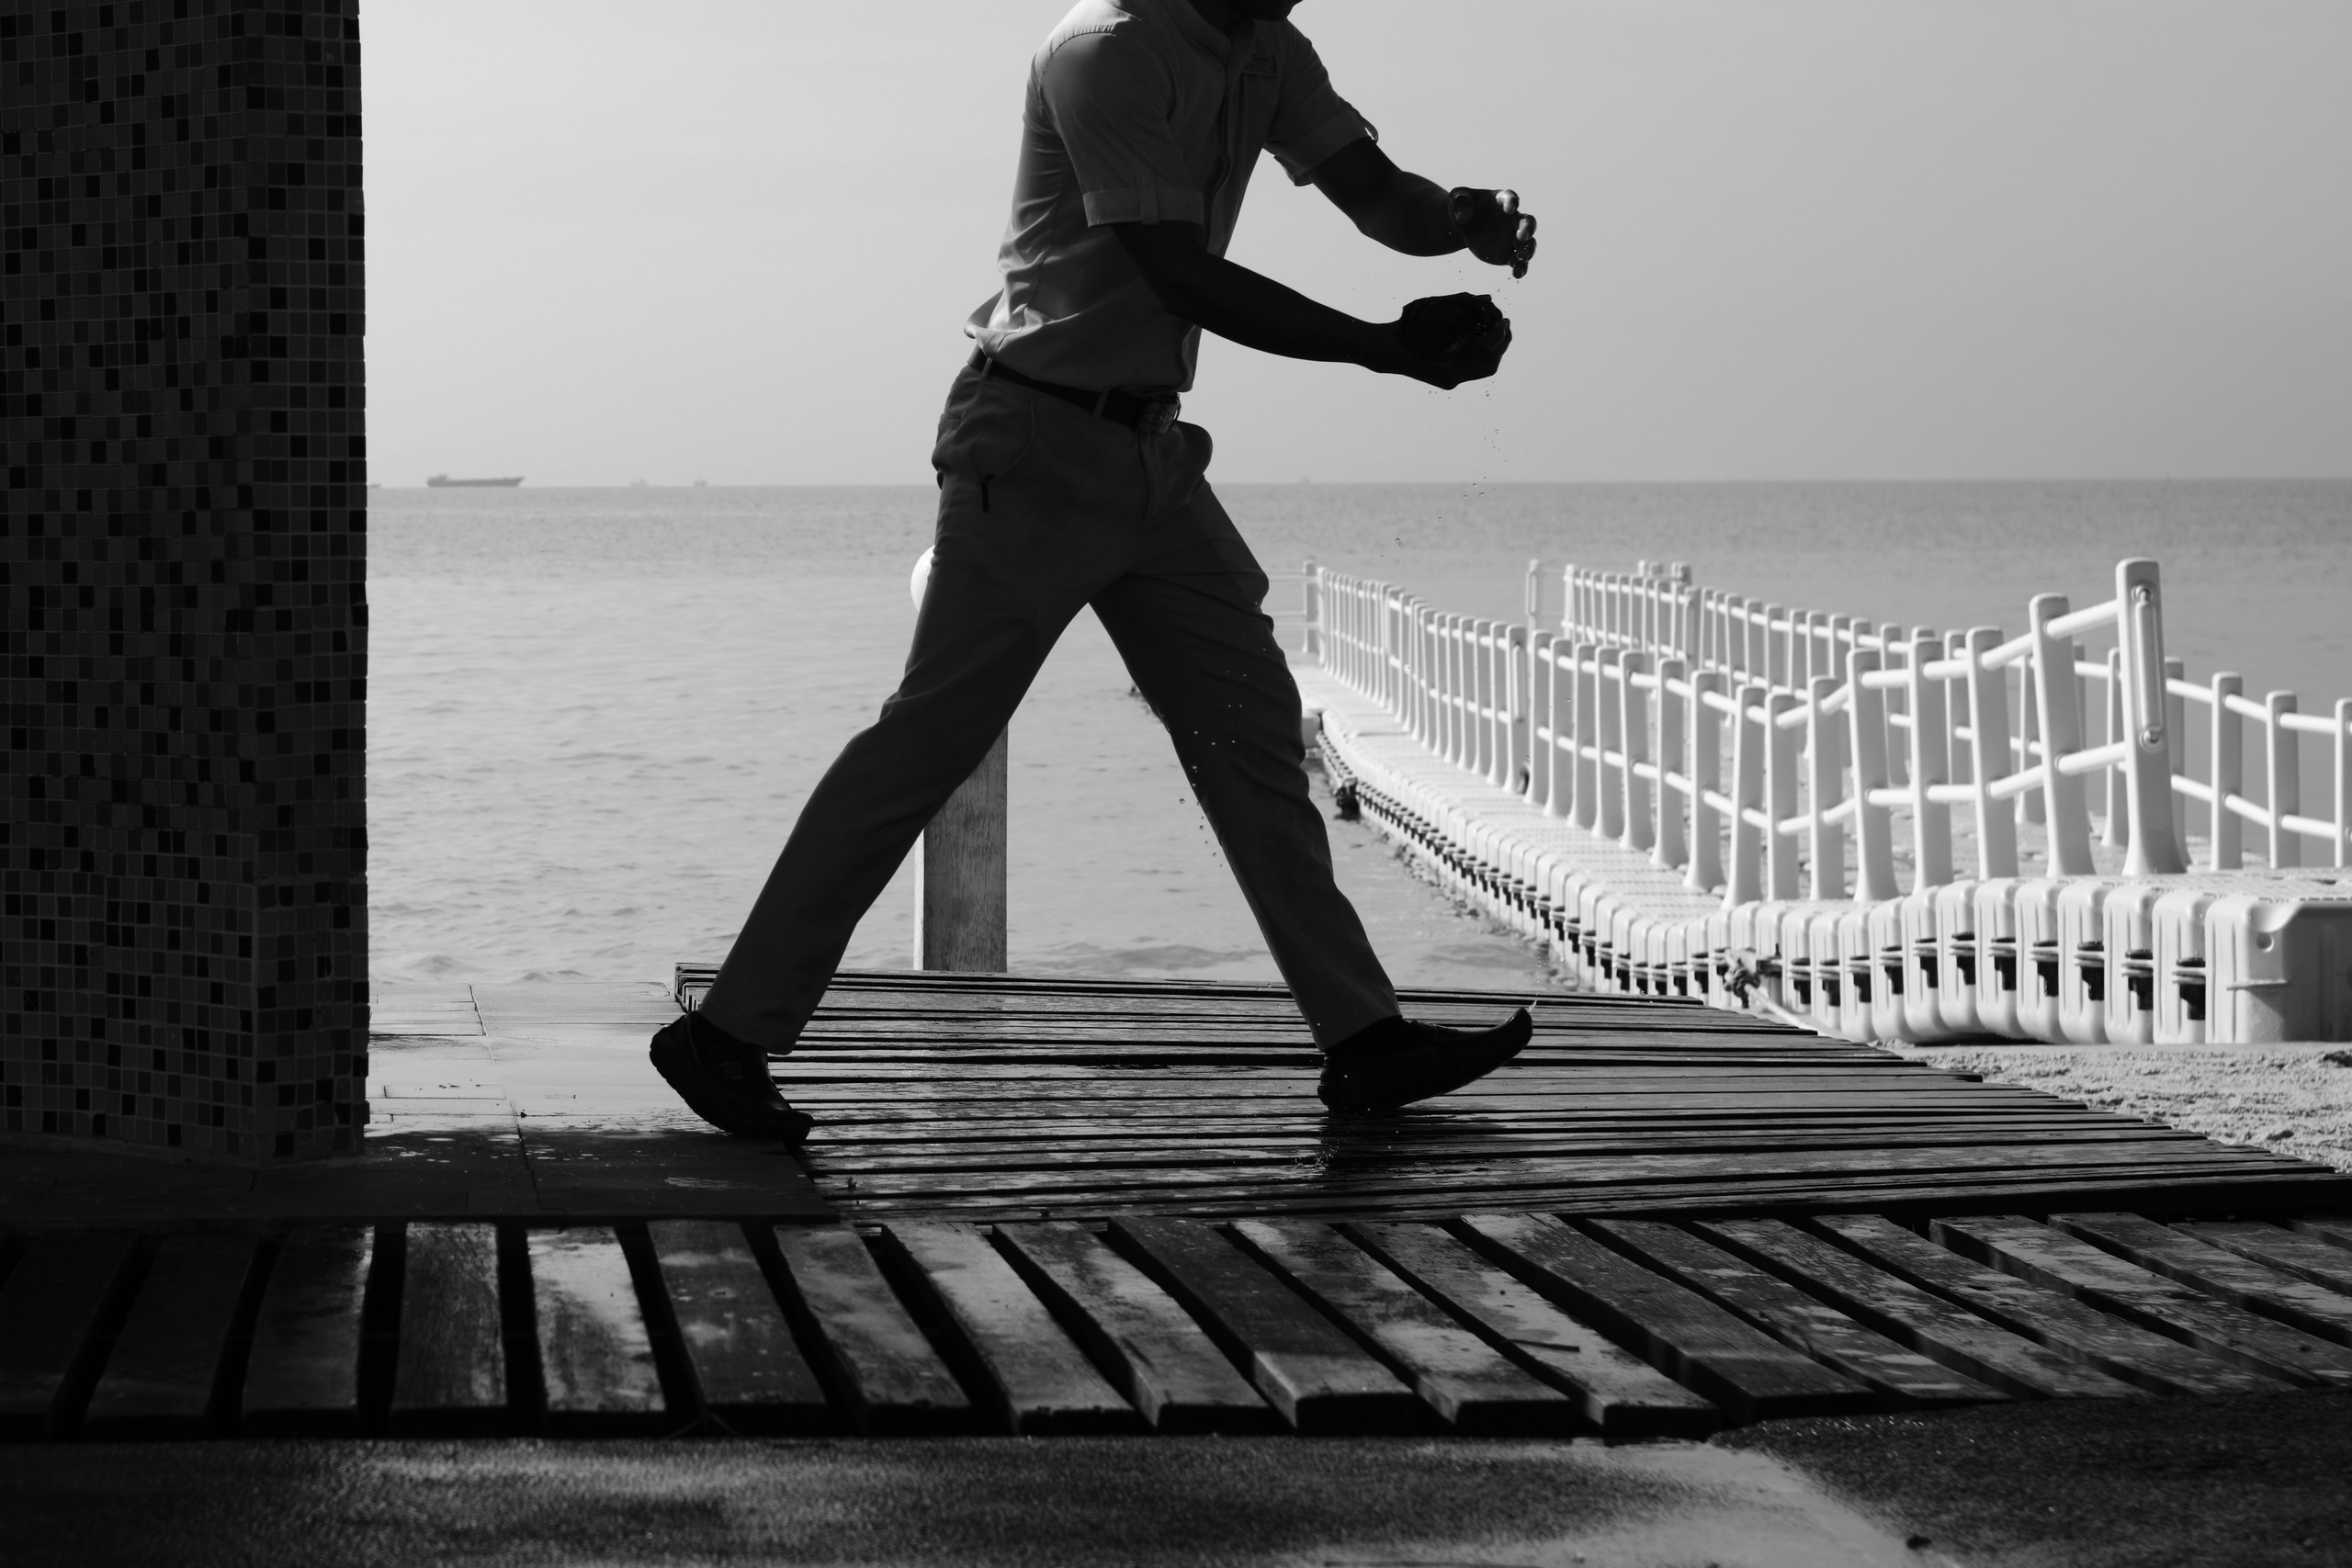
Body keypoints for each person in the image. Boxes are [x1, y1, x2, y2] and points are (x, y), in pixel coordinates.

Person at [652, 0, 1541, 1141]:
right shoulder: (1104, 54)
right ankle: (724, 1036)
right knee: (926, 743)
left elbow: (1376, 194)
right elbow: (1180, 274)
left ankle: (1364, 1041)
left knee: (1252, 735)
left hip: (1152, 456)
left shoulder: (1267, 48)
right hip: (1030, 443)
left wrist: (1461, 221)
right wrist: (1381, 348)